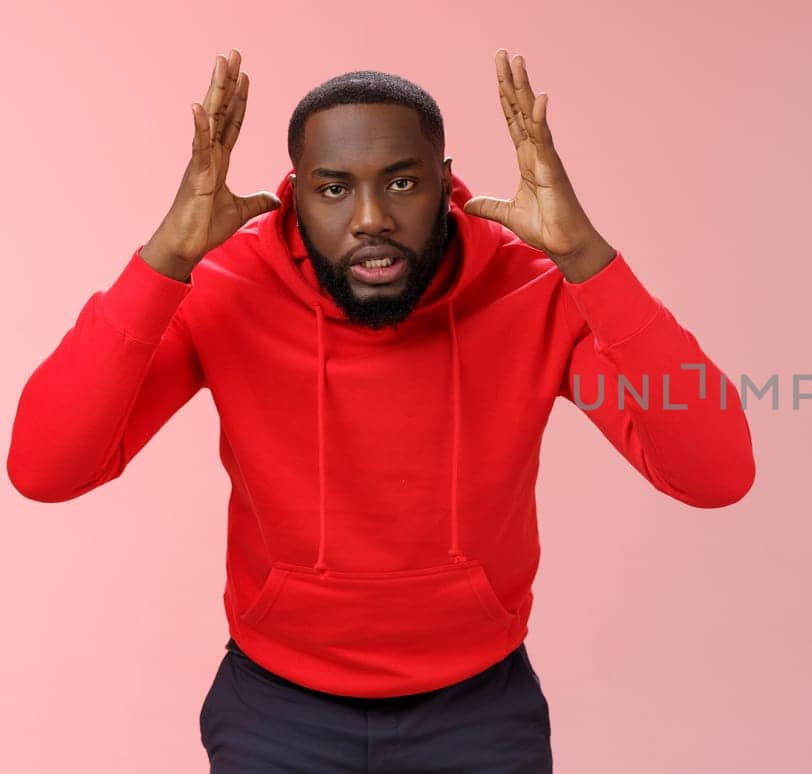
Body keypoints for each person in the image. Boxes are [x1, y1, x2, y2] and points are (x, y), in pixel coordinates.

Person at [7, 48, 756, 772]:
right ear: (296, 193)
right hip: (275, 713)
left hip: (479, 714)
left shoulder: (536, 291)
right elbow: (47, 469)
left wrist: (587, 257)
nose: (371, 217)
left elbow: (713, 472)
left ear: (446, 182)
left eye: (402, 183)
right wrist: (165, 260)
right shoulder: (223, 287)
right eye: (333, 188)